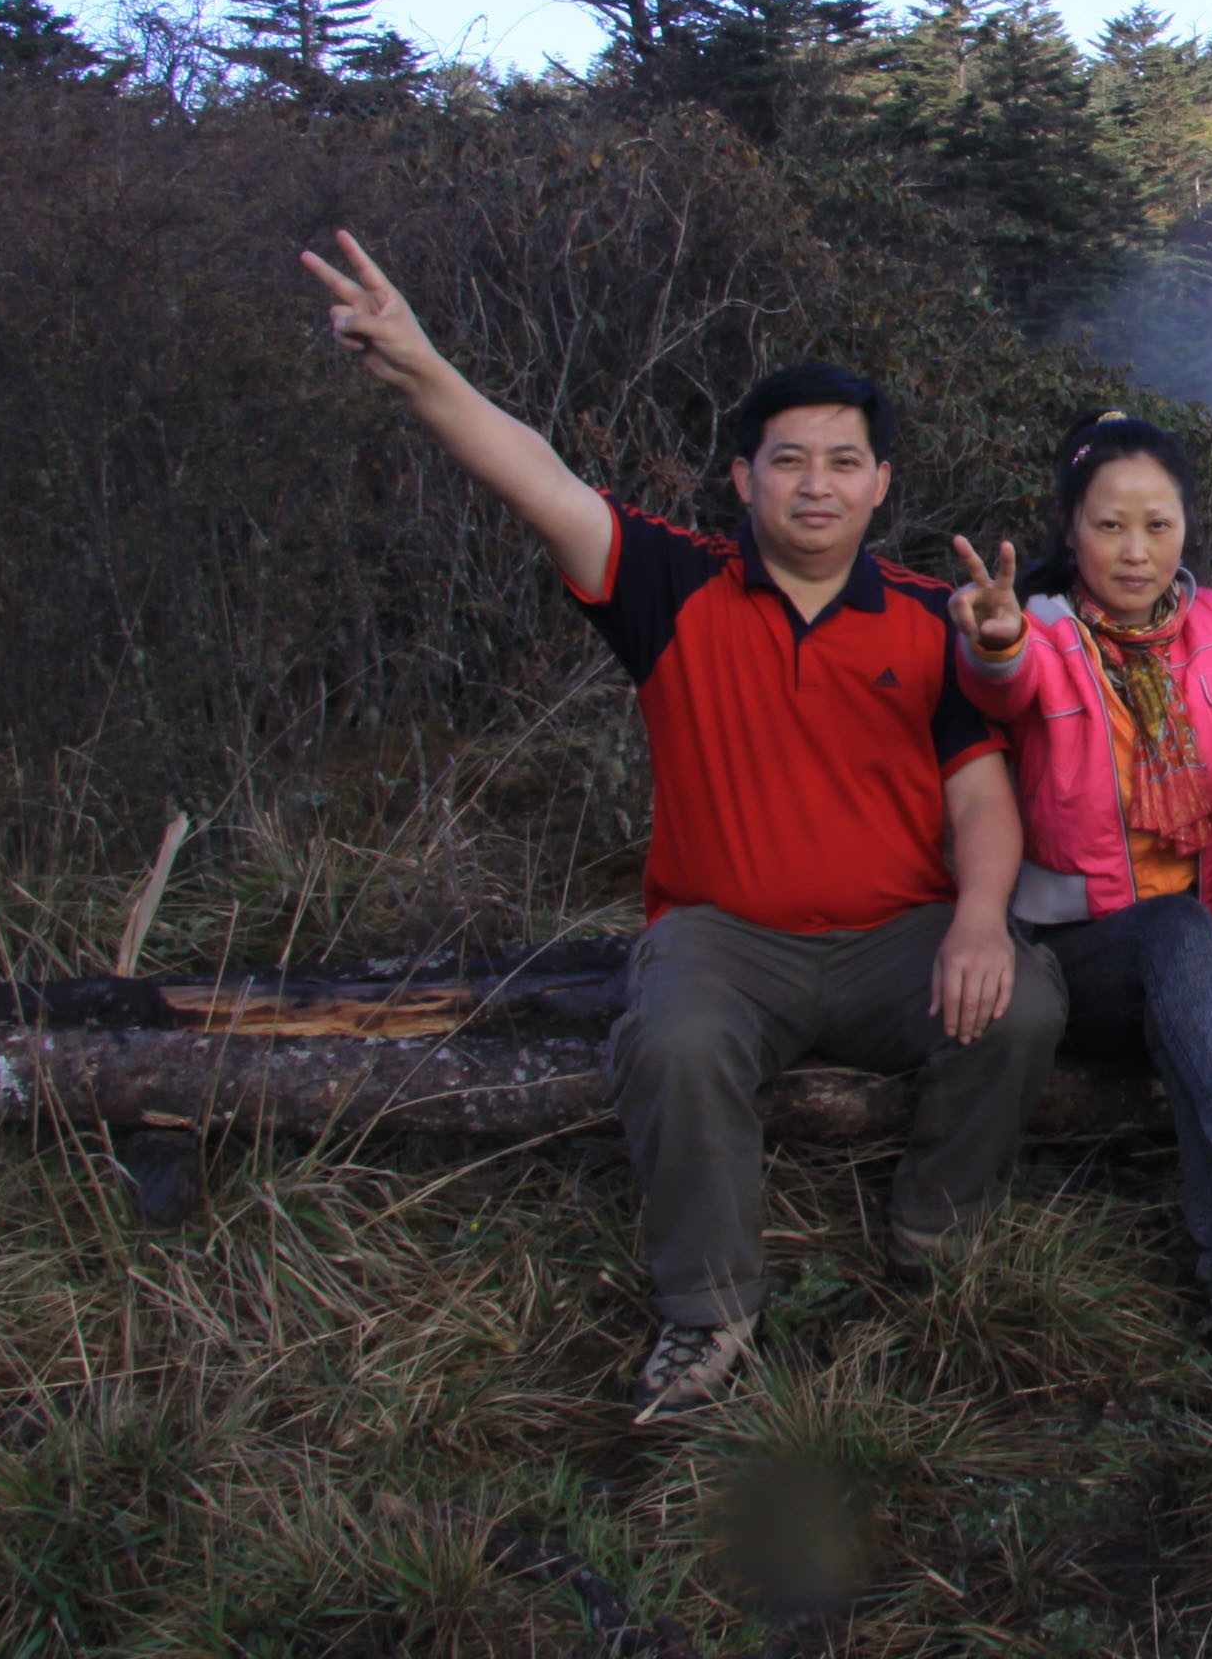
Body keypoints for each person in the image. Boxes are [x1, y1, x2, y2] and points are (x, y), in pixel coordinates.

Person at [301, 231, 1065, 1423]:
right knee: (672, 1039)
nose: (817, 483)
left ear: (882, 485)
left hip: (893, 939)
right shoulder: (672, 584)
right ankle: (709, 1312)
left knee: (1023, 997)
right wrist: (418, 364)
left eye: (845, 461)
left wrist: (978, 923)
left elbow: (981, 792)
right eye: (789, 460)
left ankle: (935, 1238)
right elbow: (538, 477)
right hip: (726, 935)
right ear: (742, 478)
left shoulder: (937, 618)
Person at [944, 413, 1212, 1399]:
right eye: (1108, 527)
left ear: (1187, 525)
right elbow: (1000, 683)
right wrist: (999, 643)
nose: (1135, 551)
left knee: (1201, 979)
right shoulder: (1042, 628)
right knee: (1184, 948)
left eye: (1158, 524)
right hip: (1080, 949)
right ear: (1071, 527)